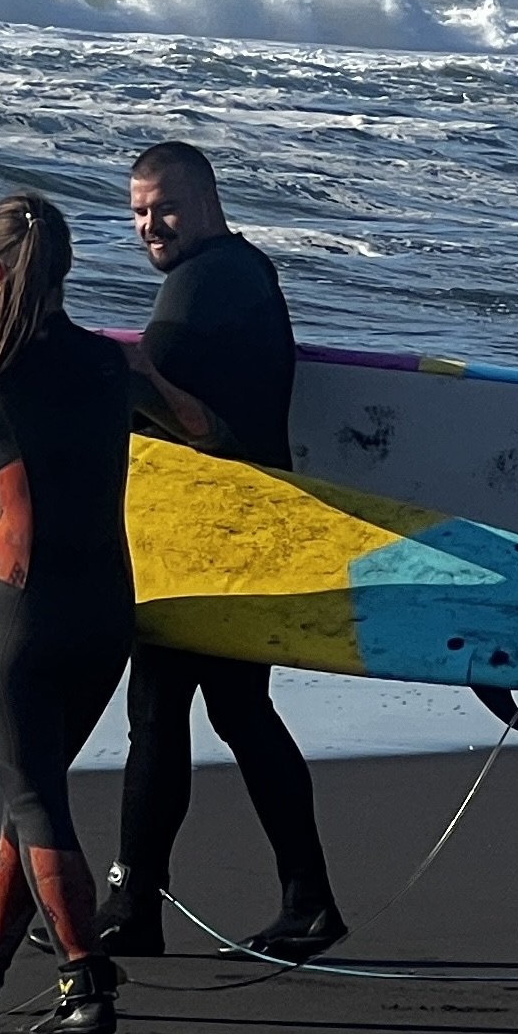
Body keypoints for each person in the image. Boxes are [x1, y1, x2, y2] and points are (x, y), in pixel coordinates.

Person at [99, 140, 348, 962]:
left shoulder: (208, 280)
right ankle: (303, 899)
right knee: (233, 712)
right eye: (137, 211)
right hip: (242, 523)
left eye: (163, 206)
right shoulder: (243, 274)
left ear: (205, 200)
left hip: (217, 534)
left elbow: (147, 380)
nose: (150, 225)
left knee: (161, 716)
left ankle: (133, 907)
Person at [0, 192, 136, 1034]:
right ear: (67, 269)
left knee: (38, 796)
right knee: (33, 786)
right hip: (108, 609)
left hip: (24, 611)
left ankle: (86, 981)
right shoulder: (109, 368)